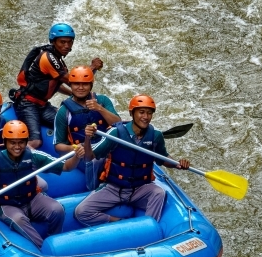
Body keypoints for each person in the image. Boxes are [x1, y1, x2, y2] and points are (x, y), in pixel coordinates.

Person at [74, 95, 190, 227]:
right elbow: (90, 157)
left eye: (149, 113)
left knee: (159, 193)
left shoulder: (156, 136)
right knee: (81, 211)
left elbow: (163, 158)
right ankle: (118, 222)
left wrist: (177, 164)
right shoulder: (115, 133)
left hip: (140, 188)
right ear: (131, 113)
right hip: (114, 188)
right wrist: (88, 139)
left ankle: (147, 228)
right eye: (141, 112)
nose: (145, 117)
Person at [0, 120, 84, 249]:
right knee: (18, 219)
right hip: (6, 204)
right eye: (12, 143)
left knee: (57, 209)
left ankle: (53, 241)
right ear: (5, 141)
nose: (17, 146)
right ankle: (42, 248)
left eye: (21, 142)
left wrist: (77, 157)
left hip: (31, 199)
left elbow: (66, 166)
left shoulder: (33, 156)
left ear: (26, 141)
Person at [11, 23, 103, 149]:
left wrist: (72, 93)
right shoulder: (48, 58)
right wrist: (92, 68)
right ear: (53, 42)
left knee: (68, 123)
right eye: (62, 42)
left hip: (42, 106)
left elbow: (56, 84)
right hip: (27, 104)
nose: (67, 46)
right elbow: (72, 81)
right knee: (36, 142)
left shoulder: (58, 59)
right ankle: (15, 162)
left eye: (70, 42)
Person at [53, 66, 120, 161]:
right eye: (76, 84)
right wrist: (75, 148)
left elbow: (118, 125)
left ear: (91, 85)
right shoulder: (64, 111)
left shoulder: (102, 100)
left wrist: (100, 109)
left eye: (85, 84)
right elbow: (58, 146)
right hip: (83, 154)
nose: (80, 88)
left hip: (106, 148)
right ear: (70, 85)